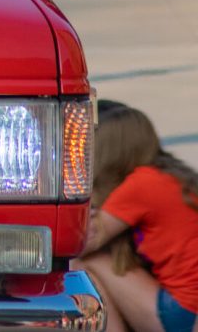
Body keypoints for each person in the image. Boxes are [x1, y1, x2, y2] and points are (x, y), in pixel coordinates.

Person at [74, 103, 198, 332]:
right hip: (188, 310)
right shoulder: (170, 177)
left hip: (184, 315)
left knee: (83, 263)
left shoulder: (143, 184)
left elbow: (81, 243)